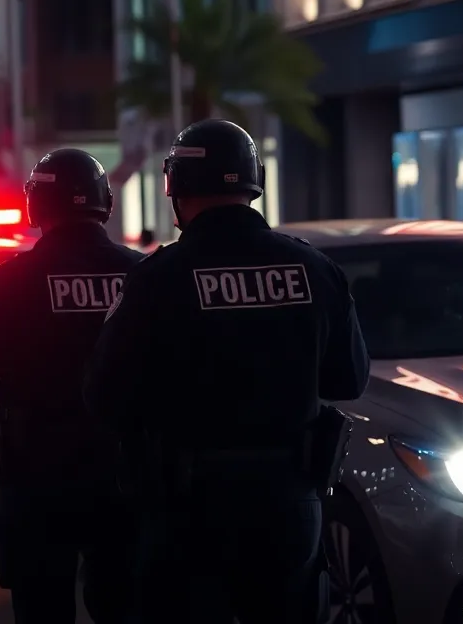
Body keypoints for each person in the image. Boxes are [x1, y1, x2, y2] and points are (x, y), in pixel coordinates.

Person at [84, 119, 371, 623]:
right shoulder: (314, 268)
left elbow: (105, 396)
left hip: (188, 508)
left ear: (177, 186)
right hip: (289, 501)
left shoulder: (157, 278)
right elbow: (348, 380)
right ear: (253, 179)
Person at [0, 148, 145, 624]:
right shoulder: (142, 275)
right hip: (124, 473)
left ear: (36, 205)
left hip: (37, 477)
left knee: (41, 606)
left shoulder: (7, 281)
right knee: (126, 604)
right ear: (106, 202)